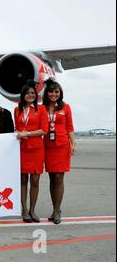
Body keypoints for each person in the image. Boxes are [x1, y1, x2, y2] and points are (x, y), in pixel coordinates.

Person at [42, 79, 75, 224]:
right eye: (51, 91)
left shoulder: (65, 107)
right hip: (48, 146)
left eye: (56, 91)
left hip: (62, 145)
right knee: (51, 178)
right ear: (46, 93)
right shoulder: (42, 107)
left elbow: (70, 127)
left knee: (59, 178)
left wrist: (73, 143)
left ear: (60, 93)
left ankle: (56, 211)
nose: (54, 94)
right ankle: (55, 207)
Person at [14, 84, 48, 223]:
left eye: (33, 93)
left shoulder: (41, 109)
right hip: (22, 148)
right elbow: (17, 127)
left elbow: (44, 130)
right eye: (28, 93)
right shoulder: (17, 109)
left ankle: (33, 209)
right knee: (23, 180)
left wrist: (27, 133)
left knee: (35, 180)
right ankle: (24, 209)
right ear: (23, 95)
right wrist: (18, 133)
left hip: (36, 149)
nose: (31, 95)